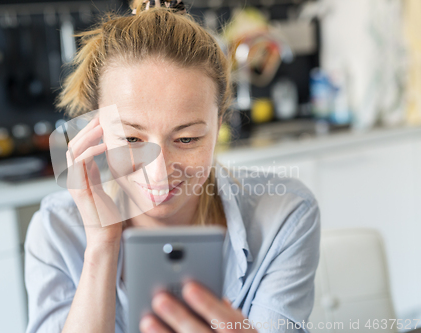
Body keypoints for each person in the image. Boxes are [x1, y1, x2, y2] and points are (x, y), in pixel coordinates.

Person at [24, 1, 321, 332]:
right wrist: (102, 248)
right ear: (96, 131)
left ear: (218, 124)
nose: (159, 174)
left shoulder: (284, 217)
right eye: (132, 140)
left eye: (187, 139)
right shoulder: (55, 231)